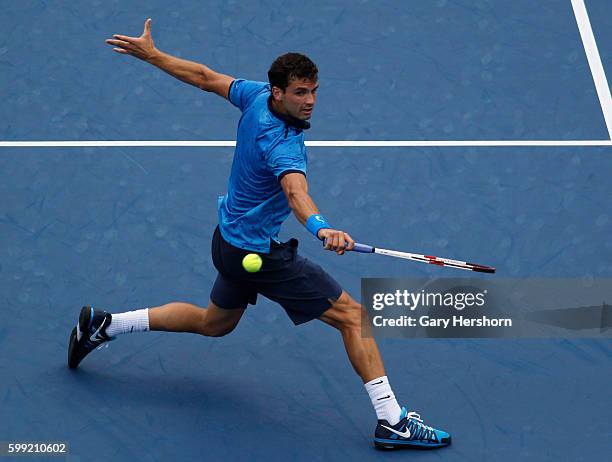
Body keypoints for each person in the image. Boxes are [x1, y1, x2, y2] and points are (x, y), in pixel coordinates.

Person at [68, 18, 451, 450]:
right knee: (354, 317)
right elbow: (294, 190)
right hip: (259, 254)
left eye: (314, 91)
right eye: (300, 93)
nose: (310, 101)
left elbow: (205, 77)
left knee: (214, 323)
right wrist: (322, 228)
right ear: (278, 92)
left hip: (229, 240)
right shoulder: (282, 143)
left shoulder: (253, 96)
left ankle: (106, 325)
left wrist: (154, 56)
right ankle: (392, 420)